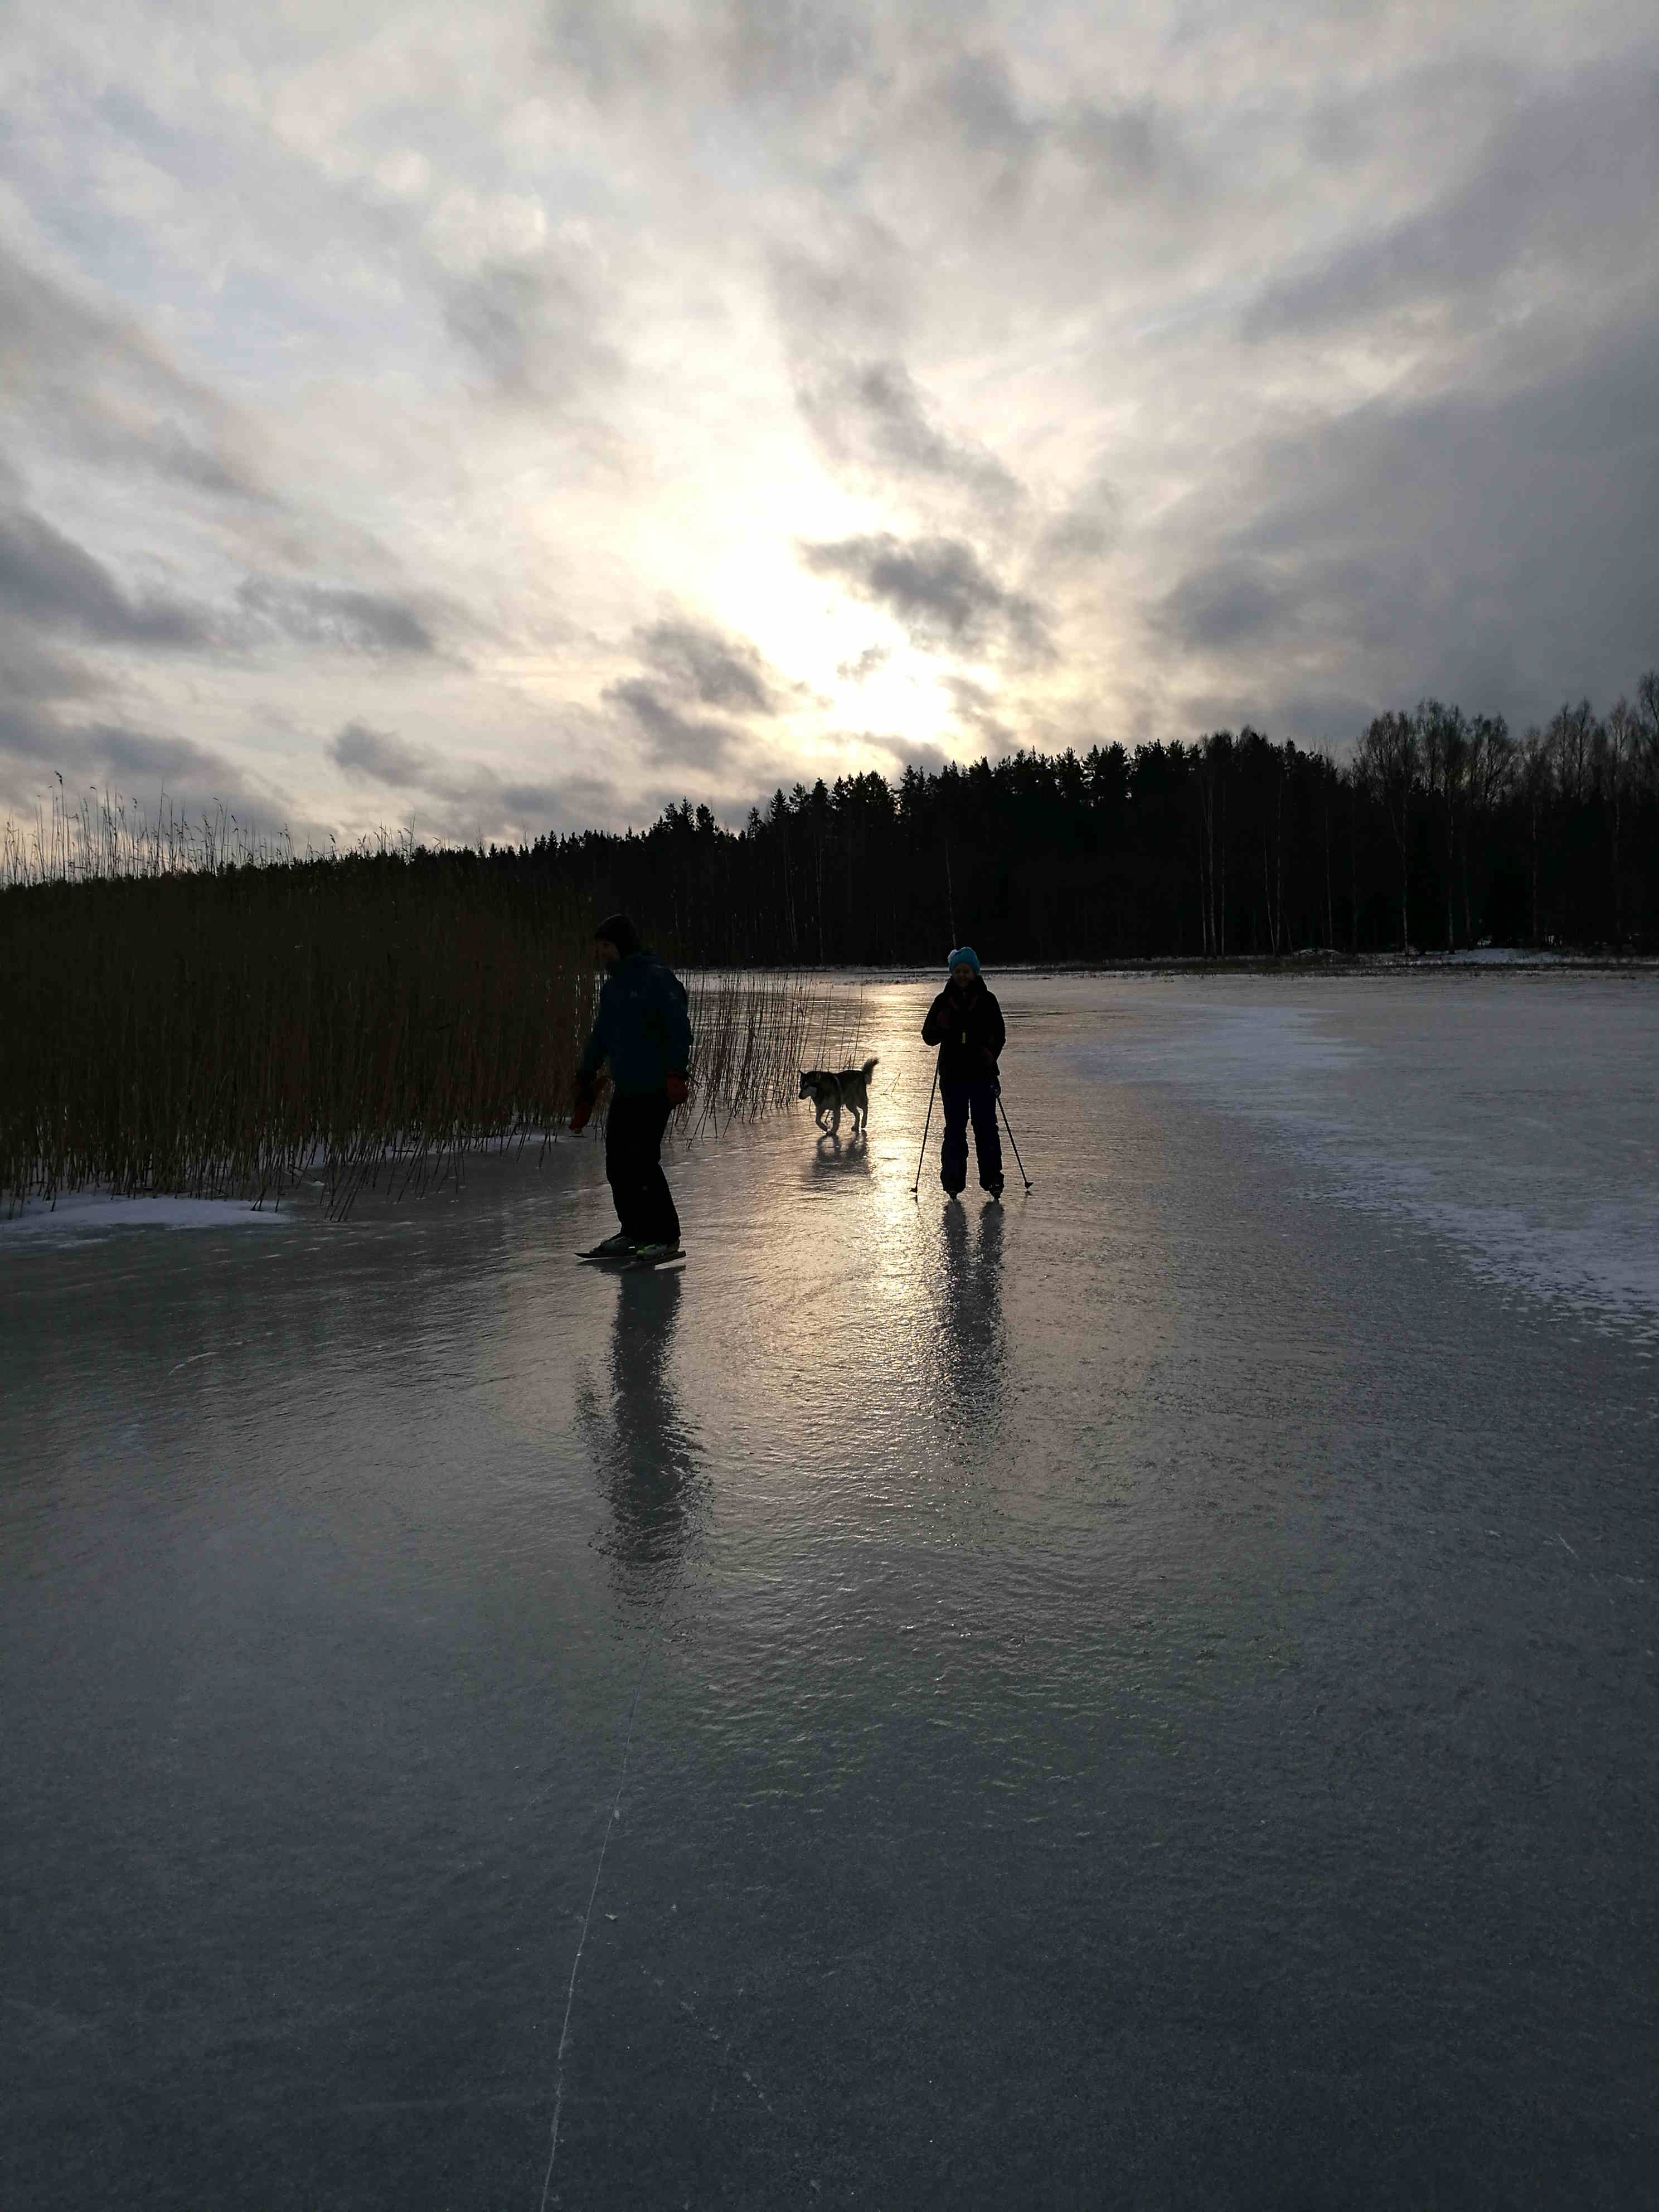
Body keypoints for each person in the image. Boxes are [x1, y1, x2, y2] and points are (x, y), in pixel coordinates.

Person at [569, 913, 691, 1262]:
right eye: (599, 948)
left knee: (642, 1162)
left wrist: (676, 1075)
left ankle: (665, 1237)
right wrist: (584, 1074)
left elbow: (678, 1029)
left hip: (655, 1088)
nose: (602, 954)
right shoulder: (613, 987)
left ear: (622, 945)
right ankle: (634, 1232)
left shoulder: (657, 980)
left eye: (606, 946)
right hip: (626, 1087)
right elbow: (601, 1036)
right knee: (617, 1165)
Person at [921, 946, 1005, 1200]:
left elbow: (999, 1035)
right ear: (952, 972)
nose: (962, 975)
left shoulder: (988, 1000)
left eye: (966, 971)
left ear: (975, 972)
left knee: (986, 1128)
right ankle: (953, 1183)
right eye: (958, 971)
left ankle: (993, 1180)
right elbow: (928, 1037)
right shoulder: (942, 1001)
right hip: (953, 1075)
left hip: (982, 1074)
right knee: (955, 1129)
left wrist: (990, 1054)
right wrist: (940, 1025)